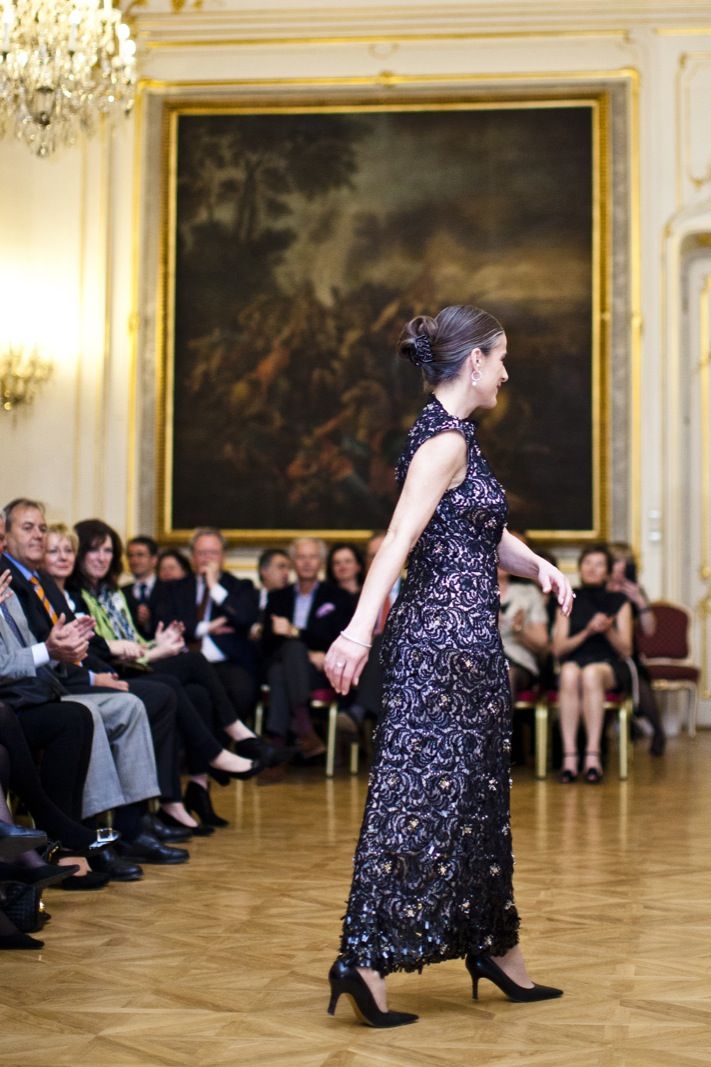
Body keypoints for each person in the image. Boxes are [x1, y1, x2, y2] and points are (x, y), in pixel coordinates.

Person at [323, 305, 573, 1027]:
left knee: (476, 803)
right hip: (439, 648)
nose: (506, 372)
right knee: (418, 803)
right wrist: (357, 631)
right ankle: (364, 960)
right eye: (500, 358)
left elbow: (478, 530)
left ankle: (496, 947)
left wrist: (538, 563)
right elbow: (399, 537)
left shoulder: (455, 436)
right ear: (474, 361)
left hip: (466, 649)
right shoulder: (442, 441)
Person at [552, 545, 633, 784]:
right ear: (580, 568)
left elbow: (626, 651)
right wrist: (587, 631)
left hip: (608, 664)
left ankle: (593, 755)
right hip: (574, 659)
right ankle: (569, 757)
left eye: (599, 564)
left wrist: (607, 630)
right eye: (587, 563)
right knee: (568, 672)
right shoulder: (567, 598)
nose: (592, 568)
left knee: (590, 674)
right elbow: (558, 649)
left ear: (607, 571)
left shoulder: (620, 601)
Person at [607, 541, 666, 756]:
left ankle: (657, 732)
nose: (621, 568)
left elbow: (649, 630)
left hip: (629, 655)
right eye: (617, 562)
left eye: (626, 563)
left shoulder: (634, 592)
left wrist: (639, 601)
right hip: (600, 652)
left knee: (639, 682)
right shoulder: (596, 589)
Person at [123, 536, 160, 638]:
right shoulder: (121, 592)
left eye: (140, 555)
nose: (134, 560)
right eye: (130, 555)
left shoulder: (170, 589)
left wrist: (149, 622)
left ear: (154, 559)